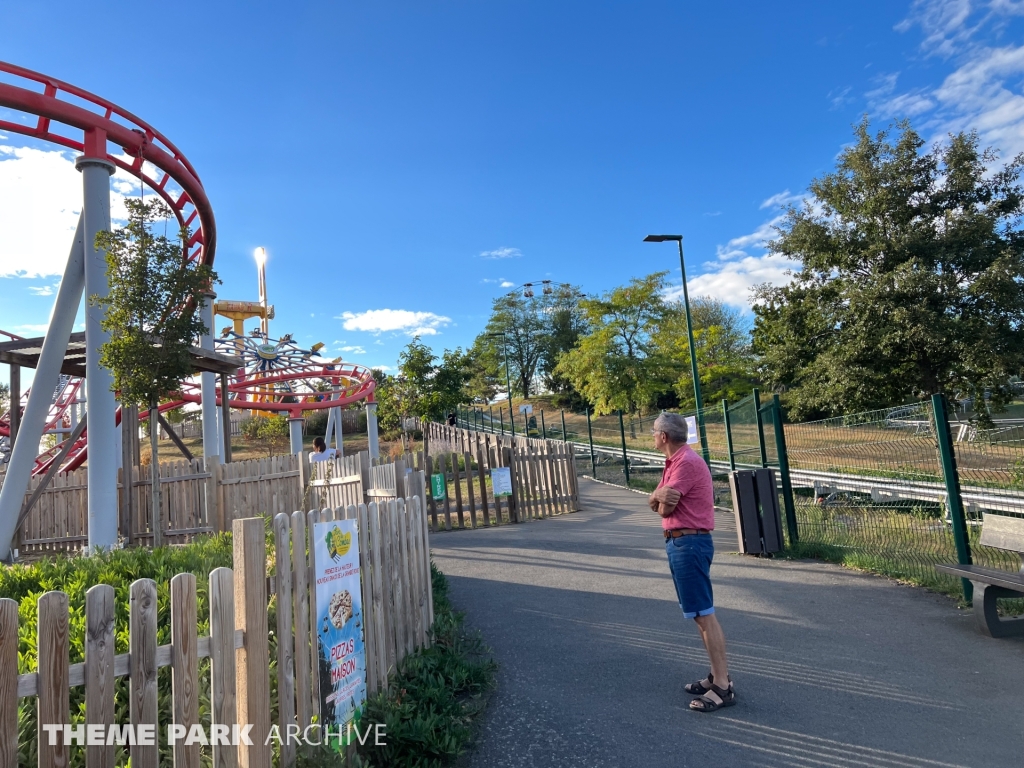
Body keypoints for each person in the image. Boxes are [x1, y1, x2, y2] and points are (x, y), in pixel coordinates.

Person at [647, 412, 735, 713]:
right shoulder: (675, 462)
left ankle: (722, 686)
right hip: (682, 541)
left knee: (704, 614)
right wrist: (657, 497)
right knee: (699, 614)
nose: (653, 436)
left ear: (664, 436)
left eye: (654, 432)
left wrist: (657, 498)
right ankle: (715, 676)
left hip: (689, 542)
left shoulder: (684, 463)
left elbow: (663, 506)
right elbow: (657, 501)